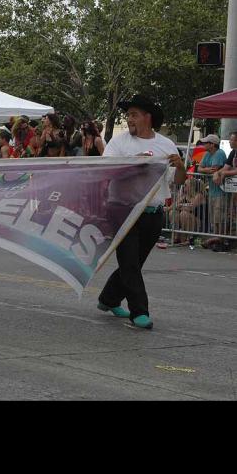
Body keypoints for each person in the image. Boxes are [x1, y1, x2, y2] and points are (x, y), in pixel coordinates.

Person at [97, 95, 185, 330]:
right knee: (129, 263)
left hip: (153, 212)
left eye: (134, 115)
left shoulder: (166, 145)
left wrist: (181, 166)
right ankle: (140, 312)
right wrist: (134, 162)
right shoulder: (118, 143)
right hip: (122, 210)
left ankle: (109, 298)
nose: (129, 119)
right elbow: (106, 172)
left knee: (135, 262)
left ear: (148, 117)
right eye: (128, 115)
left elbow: (178, 181)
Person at [197, 134, 228, 250]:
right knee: (214, 218)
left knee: (219, 218)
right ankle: (215, 239)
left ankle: (219, 240)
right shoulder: (207, 154)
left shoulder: (219, 153)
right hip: (212, 191)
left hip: (221, 191)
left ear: (212, 144)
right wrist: (205, 169)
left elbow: (214, 169)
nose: (203, 145)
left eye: (206, 143)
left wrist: (204, 170)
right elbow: (199, 168)